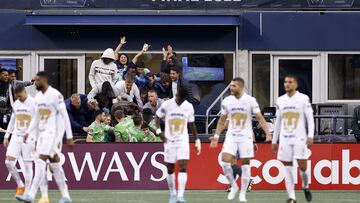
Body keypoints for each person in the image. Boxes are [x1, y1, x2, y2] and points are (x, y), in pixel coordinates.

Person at [209, 77, 271, 202]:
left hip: (245, 138)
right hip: (231, 137)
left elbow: (259, 118)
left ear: (241, 87)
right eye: (231, 86)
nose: (231, 88)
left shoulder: (250, 100)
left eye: (234, 86)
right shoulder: (227, 101)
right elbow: (222, 121)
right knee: (225, 161)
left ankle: (243, 193)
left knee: (244, 165)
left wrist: (267, 134)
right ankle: (234, 186)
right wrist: (216, 136)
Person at [16, 71, 74, 203]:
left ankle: (30, 194)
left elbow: (65, 115)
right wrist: (28, 132)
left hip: (53, 134)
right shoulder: (38, 97)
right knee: (55, 164)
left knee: (40, 161)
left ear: (45, 80)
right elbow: (36, 118)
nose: (35, 83)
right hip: (42, 133)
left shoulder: (55, 95)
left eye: (37, 81)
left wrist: (69, 137)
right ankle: (65, 196)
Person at [272, 75, 314, 203]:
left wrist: (310, 136)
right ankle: (292, 197)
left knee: (302, 166)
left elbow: (310, 119)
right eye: (285, 82)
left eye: (290, 82)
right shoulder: (280, 100)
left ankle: (305, 186)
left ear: (296, 84)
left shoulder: (303, 99)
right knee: (288, 166)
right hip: (285, 139)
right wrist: (274, 140)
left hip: (299, 138)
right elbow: (278, 121)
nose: (287, 84)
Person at [155, 87, 201, 203]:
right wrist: (159, 132)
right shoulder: (167, 104)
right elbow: (157, 116)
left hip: (182, 141)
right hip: (169, 141)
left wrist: (197, 140)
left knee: (183, 166)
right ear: (177, 95)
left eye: (182, 99)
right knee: (170, 168)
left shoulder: (188, 106)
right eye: (179, 98)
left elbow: (192, 124)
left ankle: (180, 196)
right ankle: (173, 194)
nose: (180, 101)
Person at [3, 84, 35, 199]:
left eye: (20, 96)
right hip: (16, 136)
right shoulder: (16, 104)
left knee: (27, 165)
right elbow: (12, 120)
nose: (19, 99)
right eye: (17, 97)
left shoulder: (33, 103)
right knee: (8, 162)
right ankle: (20, 185)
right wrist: (7, 136)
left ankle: (27, 192)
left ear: (25, 92)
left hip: (28, 138)